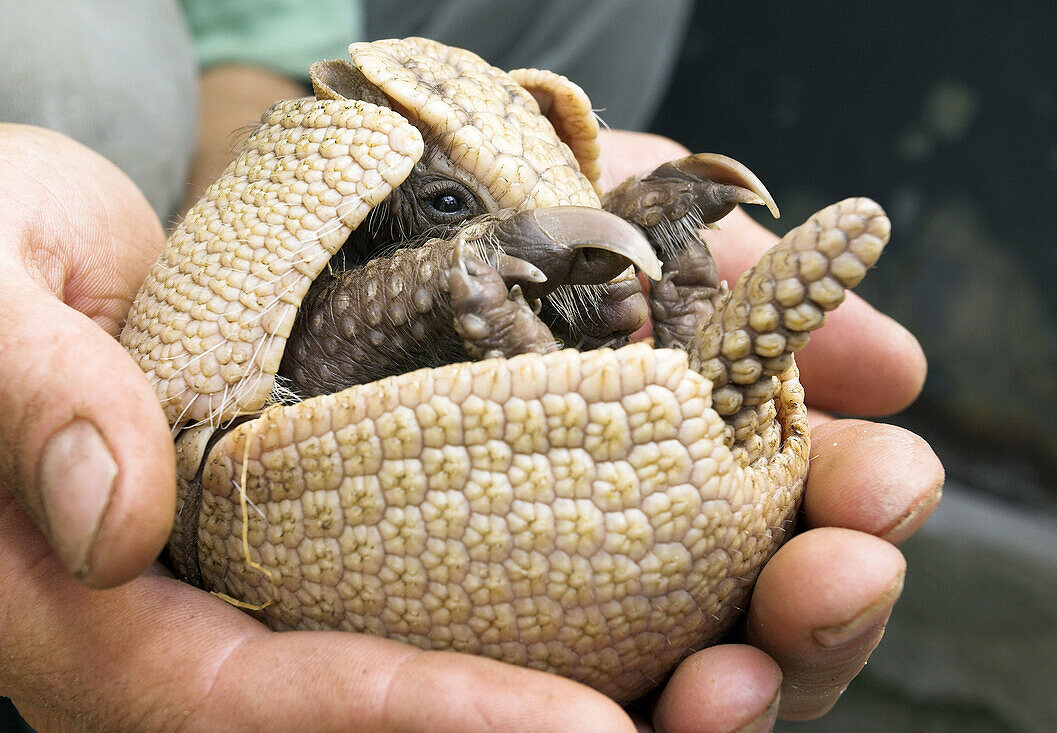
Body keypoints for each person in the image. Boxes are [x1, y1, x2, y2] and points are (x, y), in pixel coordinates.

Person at [0, 2, 943, 730]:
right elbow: (307, 350)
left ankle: (654, 303)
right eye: (449, 207)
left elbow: (267, 29)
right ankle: (595, 307)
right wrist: (470, 259)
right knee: (93, 68)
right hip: (310, 408)